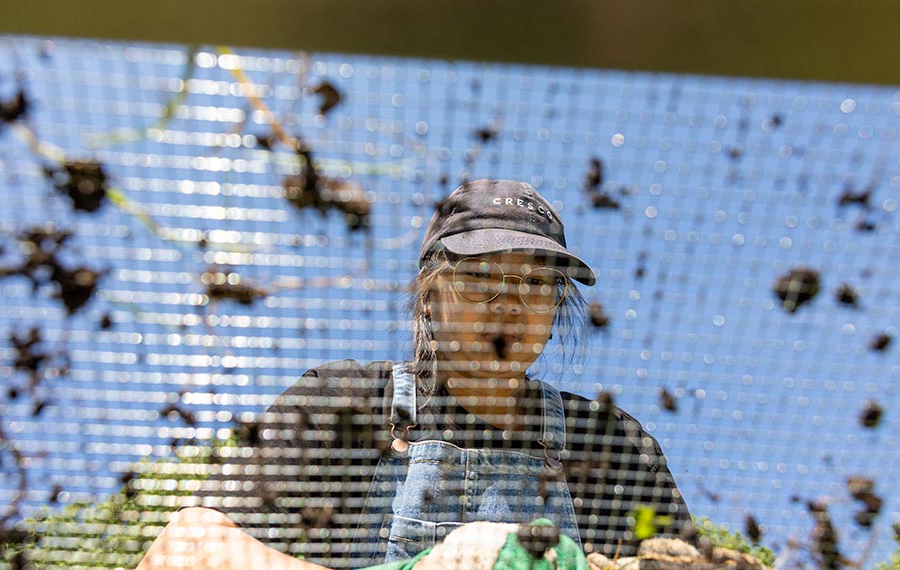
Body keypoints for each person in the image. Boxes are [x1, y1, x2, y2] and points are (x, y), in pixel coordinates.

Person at [135, 179, 691, 570]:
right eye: (481, 278)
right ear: (429, 296)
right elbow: (183, 550)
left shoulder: (612, 447)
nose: (510, 307)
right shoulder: (346, 407)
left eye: (537, 285)